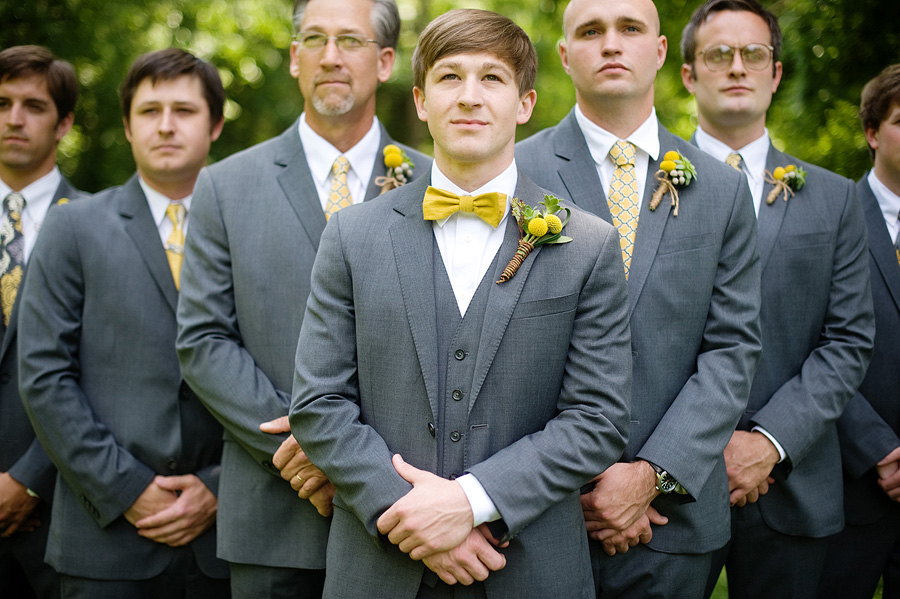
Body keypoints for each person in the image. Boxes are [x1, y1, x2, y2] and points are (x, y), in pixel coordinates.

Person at [289, 8, 633, 598]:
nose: (470, 96)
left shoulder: (589, 244)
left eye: (492, 78)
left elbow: (597, 419)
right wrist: (414, 515)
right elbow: (319, 403)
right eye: (450, 77)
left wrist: (470, 502)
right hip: (381, 566)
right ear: (421, 101)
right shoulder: (351, 235)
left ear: (524, 104)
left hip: (528, 568)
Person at [175, 0, 429, 596]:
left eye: (350, 40)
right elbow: (204, 340)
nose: (330, 56)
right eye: (315, 39)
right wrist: (309, 444)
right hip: (274, 509)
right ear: (294, 57)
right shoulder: (225, 185)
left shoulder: (434, 182)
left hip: (401, 508)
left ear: (385, 61)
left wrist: (358, 463)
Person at [516, 0, 763, 596]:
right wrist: (559, 477)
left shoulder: (723, 189)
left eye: (629, 28)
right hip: (538, 515)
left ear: (659, 50)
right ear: (564, 55)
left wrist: (653, 475)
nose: (611, 44)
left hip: (672, 522)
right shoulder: (515, 172)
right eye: (591, 31)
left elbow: (732, 350)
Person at [677, 2, 876, 598]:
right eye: (719, 54)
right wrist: (686, 449)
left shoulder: (835, 200)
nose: (737, 67)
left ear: (776, 72)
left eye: (754, 54)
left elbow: (848, 341)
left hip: (793, 480)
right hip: (665, 486)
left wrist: (769, 442)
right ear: (688, 73)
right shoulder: (642, 188)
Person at [17, 48, 229, 597]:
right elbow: (45, 376)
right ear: (128, 127)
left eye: (184, 110)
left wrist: (221, 487)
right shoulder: (73, 228)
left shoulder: (251, 229)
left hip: (228, 545)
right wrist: (127, 488)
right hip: (104, 541)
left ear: (215, 125)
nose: (165, 125)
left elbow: (284, 369)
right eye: (149, 111)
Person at [816, 64, 900, 599]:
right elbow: (811, 342)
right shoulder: (830, 218)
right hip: (852, 486)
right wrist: (879, 452)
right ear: (872, 132)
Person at [0, 44, 78, 599]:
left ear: (63, 123)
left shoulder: (102, 226)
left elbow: (102, 371)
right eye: (1, 103)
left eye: (33, 105)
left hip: (59, 516)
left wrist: (29, 479)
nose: (13, 118)